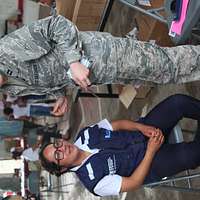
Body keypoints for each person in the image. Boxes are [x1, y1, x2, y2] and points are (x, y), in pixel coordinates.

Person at [0, 15, 200, 115]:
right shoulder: (12, 89)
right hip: (104, 73)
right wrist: (59, 95)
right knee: (165, 76)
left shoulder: (7, 50)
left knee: (168, 64)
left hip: (104, 53)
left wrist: (73, 61)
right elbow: (45, 77)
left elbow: (56, 25)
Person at [40, 94, 200, 196]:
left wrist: (142, 127)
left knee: (178, 102)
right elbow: (134, 182)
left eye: (57, 145)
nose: (62, 148)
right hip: (151, 164)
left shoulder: (85, 135)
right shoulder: (93, 182)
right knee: (192, 154)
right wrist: (151, 151)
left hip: (144, 131)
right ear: (61, 168)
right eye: (58, 154)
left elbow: (118, 124)